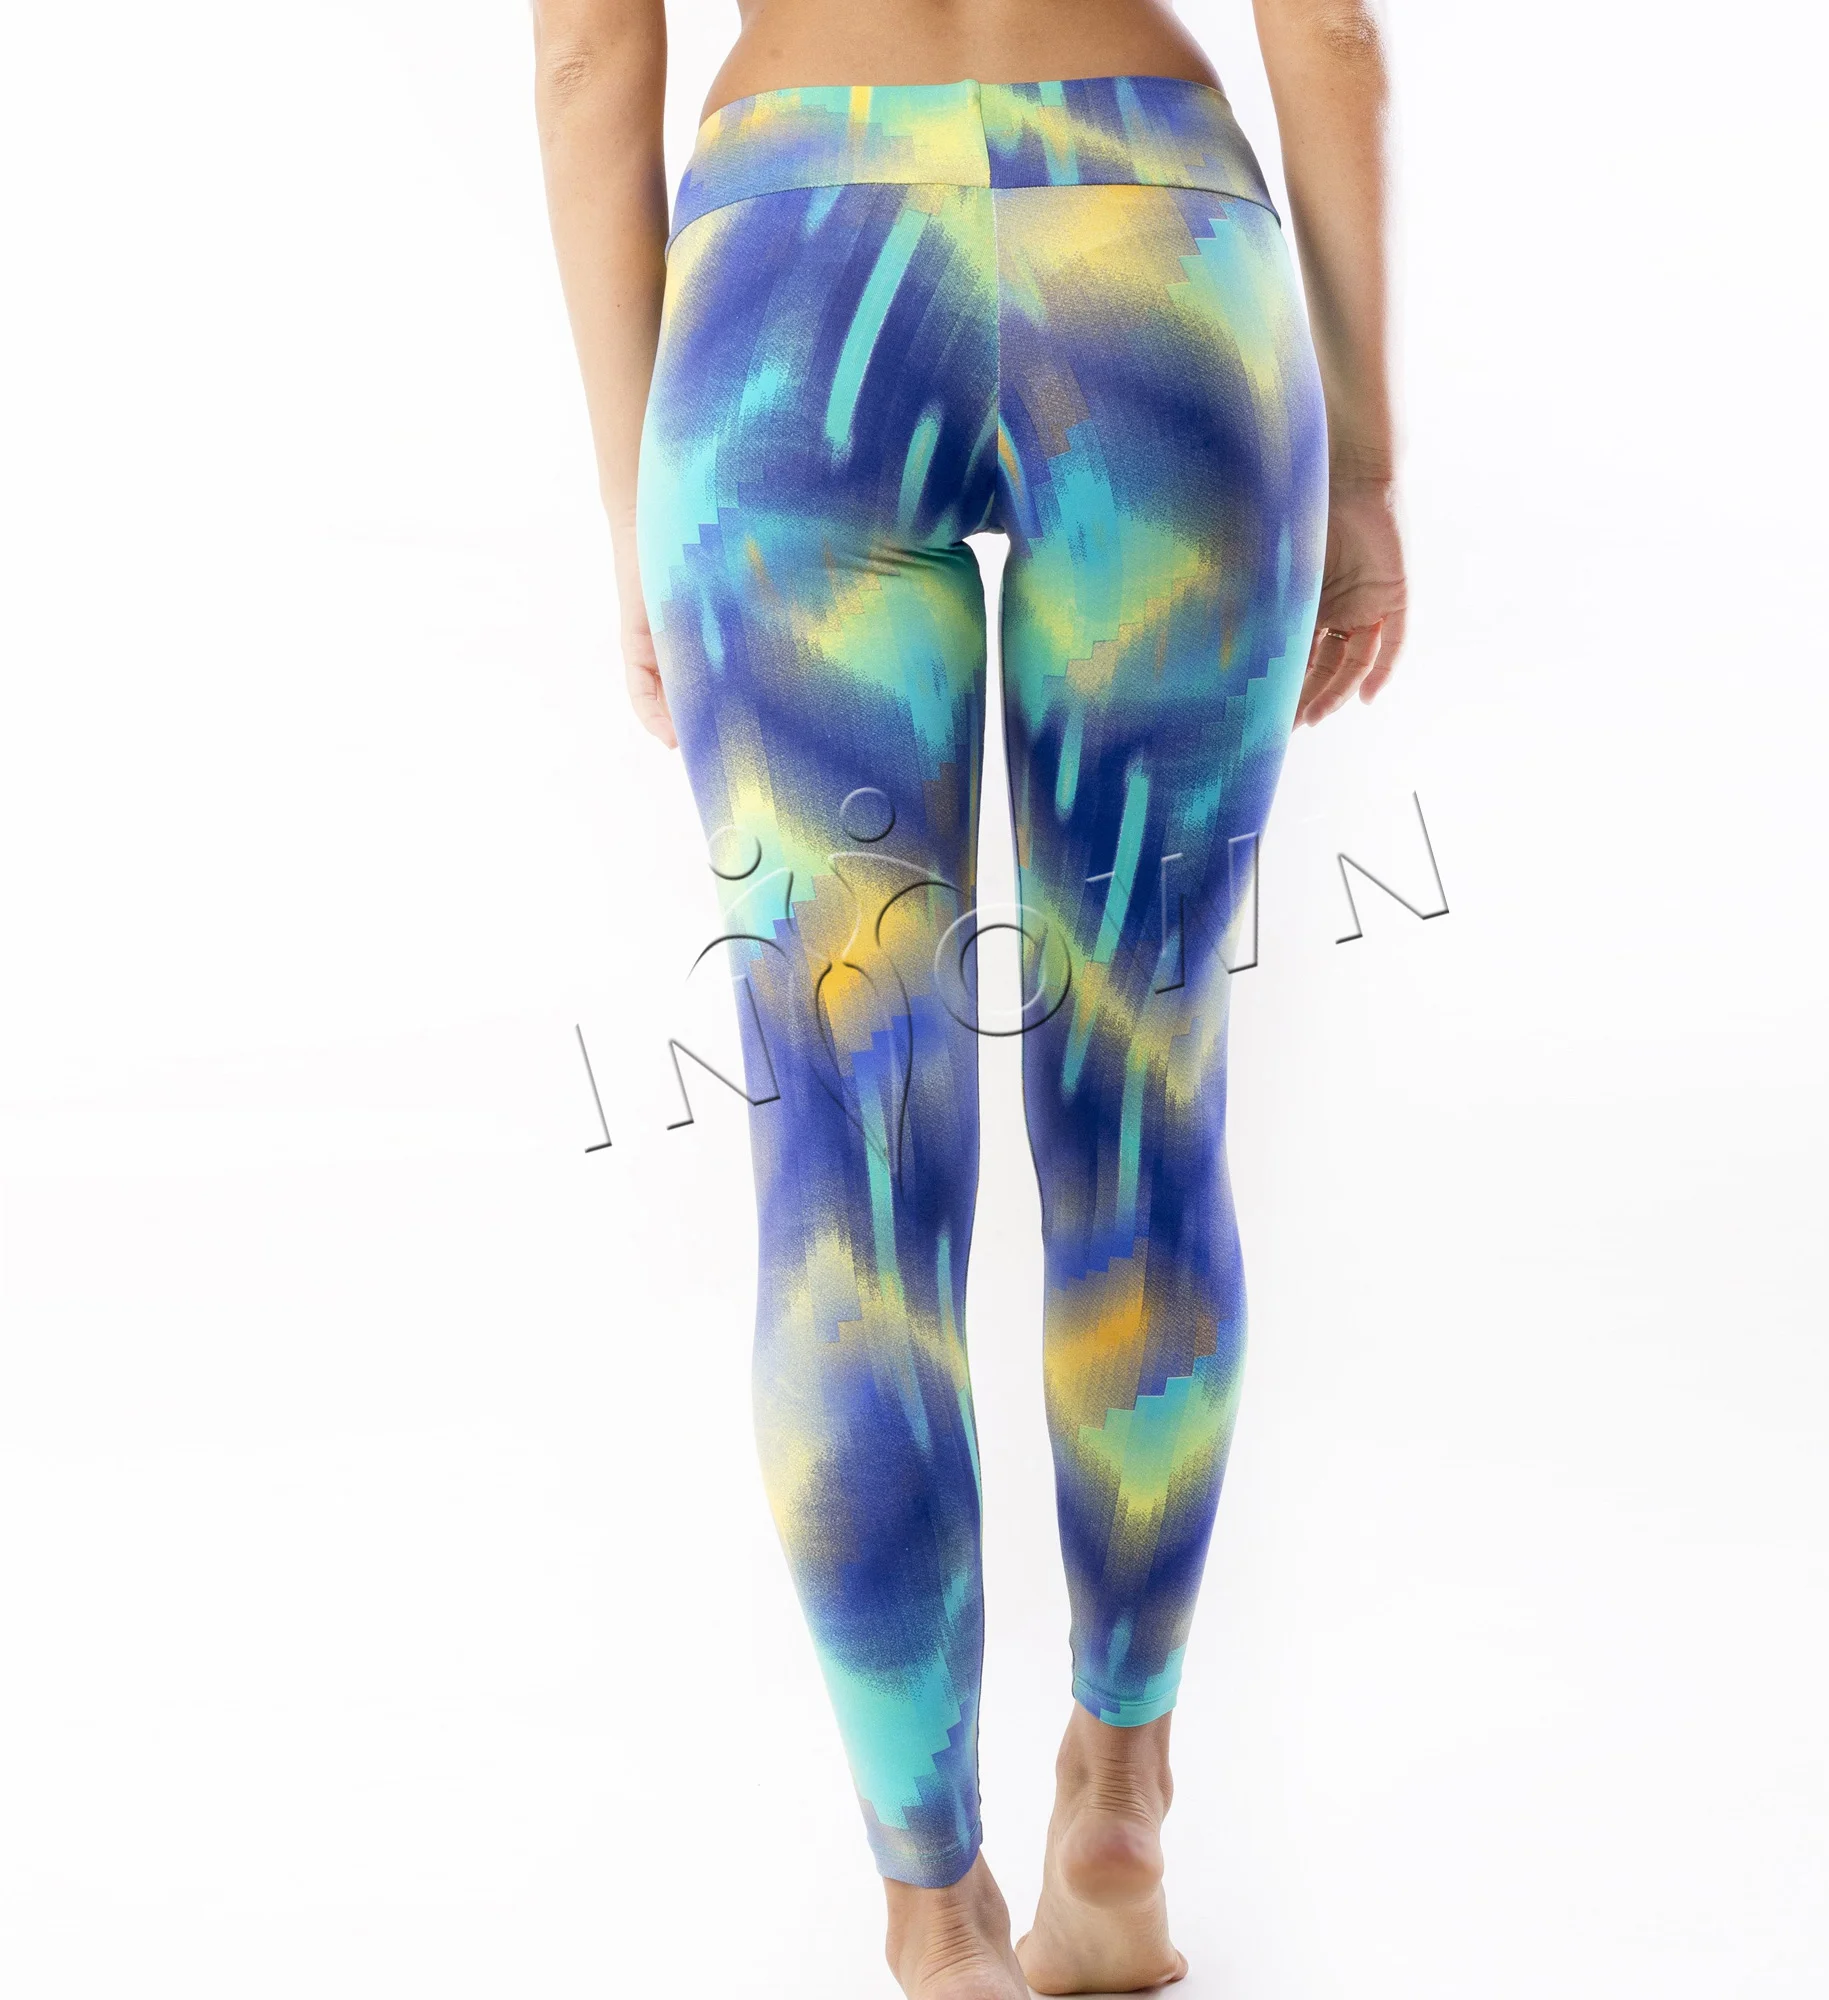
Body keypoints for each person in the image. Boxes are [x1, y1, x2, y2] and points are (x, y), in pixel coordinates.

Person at [532, 3, 1406, 1992]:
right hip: (1153, 268)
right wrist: (1364, 461)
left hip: (792, 287)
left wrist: (632, 490)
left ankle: (937, 1916)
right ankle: (1122, 1786)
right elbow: (1331, 30)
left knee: (844, 1178)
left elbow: (587, 58)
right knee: (1144, 1095)